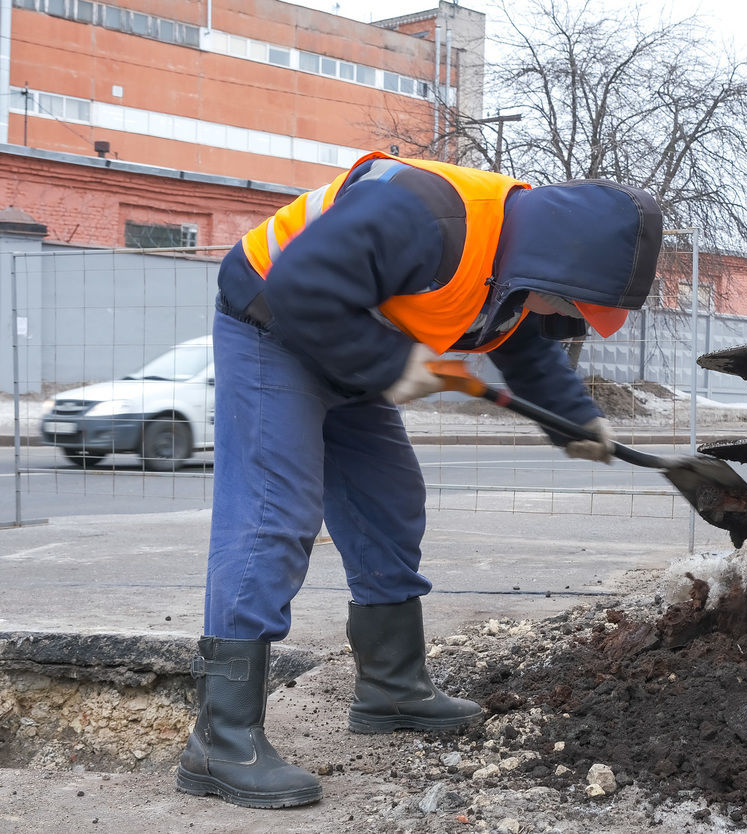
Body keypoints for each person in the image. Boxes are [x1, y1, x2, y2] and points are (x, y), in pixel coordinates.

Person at [175, 151, 662, 809]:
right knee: (275, 512)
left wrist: (577, 419)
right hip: (274, 324)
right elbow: (300, 289)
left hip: (350, 341)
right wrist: (393, 365)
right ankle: (221, 741)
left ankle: (390, 689)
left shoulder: (519, 269)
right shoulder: (425, 214)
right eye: (571, 299)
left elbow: (521, 343)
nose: (566, 311)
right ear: (559, 259)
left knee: (391, 501)